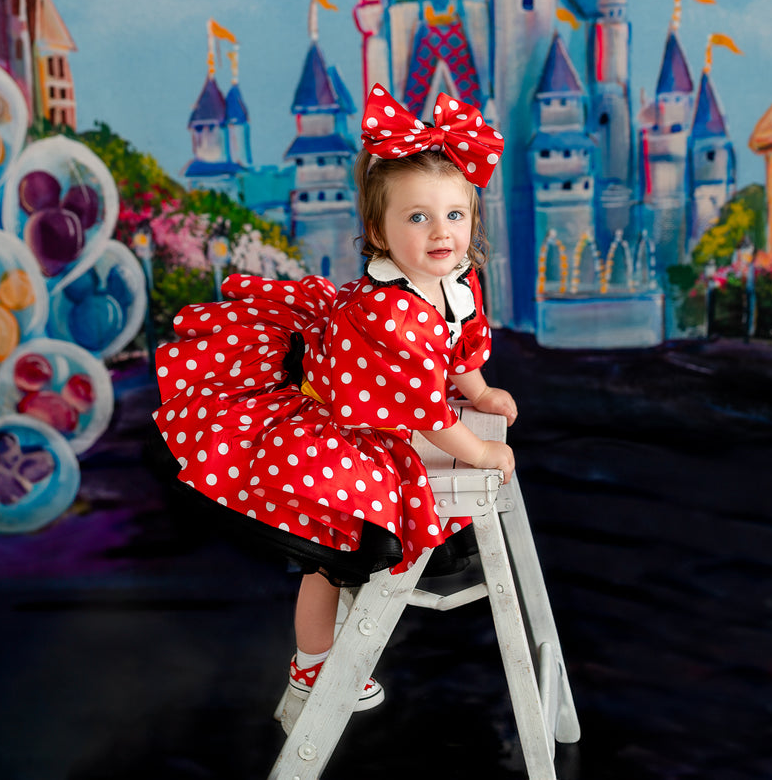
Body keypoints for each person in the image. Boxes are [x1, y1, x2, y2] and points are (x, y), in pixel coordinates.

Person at [154, 83, 517, 710]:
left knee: (356, 554)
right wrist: (478, 454)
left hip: (380, 407)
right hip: (332, 415)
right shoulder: (391, 314)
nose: (441, 233)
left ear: (472, 221)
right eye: (417, 217)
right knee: (330, 556)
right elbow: (424, 411)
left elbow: (457, 350)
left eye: (455, 215)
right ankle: (312, 664)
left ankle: (324, 652)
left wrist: (477, 390)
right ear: (377, 231)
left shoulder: (455, 282)